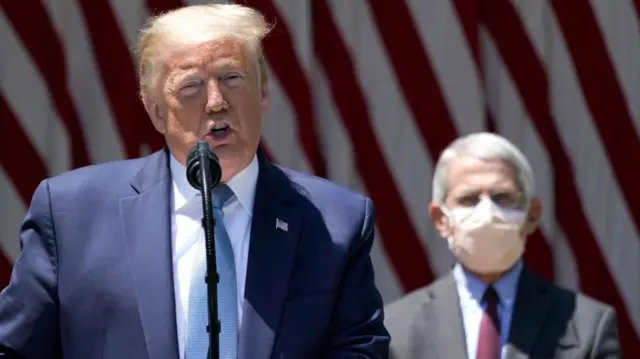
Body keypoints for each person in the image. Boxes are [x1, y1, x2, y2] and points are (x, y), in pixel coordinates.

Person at [0, 4, 389, 359]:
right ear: (155, 112)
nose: (216, 101)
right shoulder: (72, 213)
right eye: (191, 87)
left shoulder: (336, 221)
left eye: (232, 78)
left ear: (264, 91)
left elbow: (360, 351)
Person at [384, 132, 620, 359]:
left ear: (532, 215)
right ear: (440, 219)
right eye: (469, 199)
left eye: (503, 198)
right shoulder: (395, 329)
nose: (487, 212)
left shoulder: (587, 325)